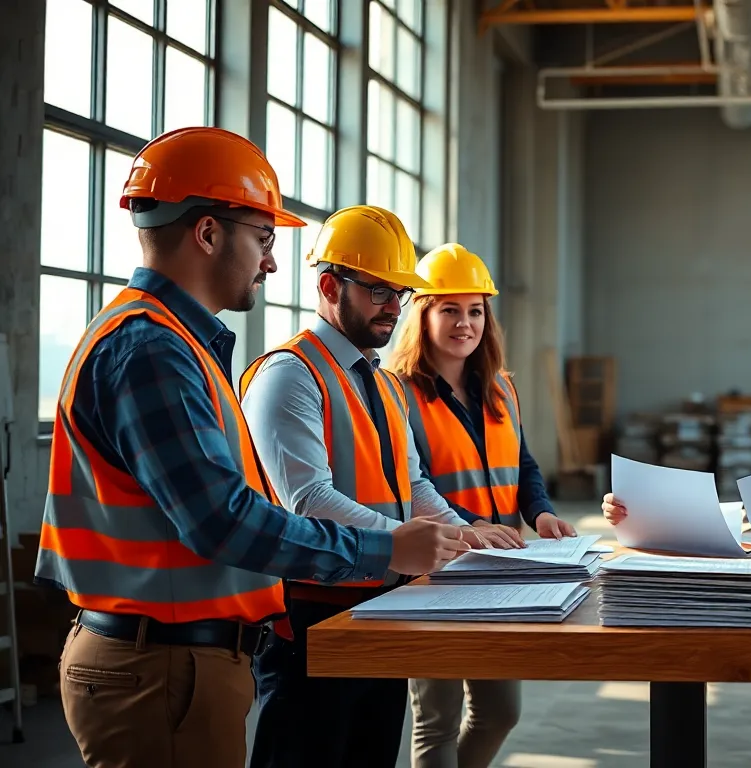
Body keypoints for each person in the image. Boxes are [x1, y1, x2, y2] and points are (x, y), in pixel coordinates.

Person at [33, 127, 467, 768]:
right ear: (208, 233)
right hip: (162, 663)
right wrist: (385, 547)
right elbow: (223, 519)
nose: (269, 262)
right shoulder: (153, 349)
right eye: (262, 240)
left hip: (179, 656)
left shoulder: (175, 344)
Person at [240, 207, 518, 768]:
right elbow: (308, 500)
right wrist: (404, 543)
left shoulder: (381, 383)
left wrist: (466, 535)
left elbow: (411, 483)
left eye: (399, 293)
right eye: (377, 292)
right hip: (313, 618)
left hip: (384, 605)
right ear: (328, 285)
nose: (395, 307)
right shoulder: (289, 373)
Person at [384, 242, 574, 768]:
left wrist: (540, 513)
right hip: (436, 571)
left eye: (474, 311)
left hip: (501, 571)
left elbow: (526, 464)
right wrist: (474, 527)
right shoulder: (397, 394)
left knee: (500, 711)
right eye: (449, 309)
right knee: (437, 722)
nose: (464, 323)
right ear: (422, 315)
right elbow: (410, 485)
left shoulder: (501, 390)